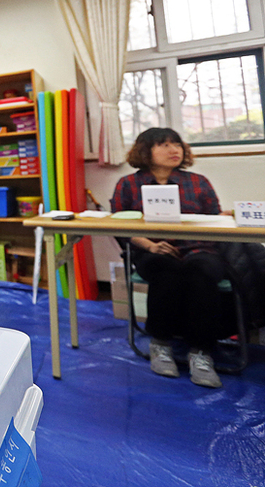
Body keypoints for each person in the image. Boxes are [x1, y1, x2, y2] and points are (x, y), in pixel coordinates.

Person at [111, 127, 231, 388]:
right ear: (145, 150)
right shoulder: (129, 184)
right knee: (167, 272)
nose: (174, 149)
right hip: (151, 250)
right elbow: (120, 226)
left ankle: (200, 352)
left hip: (198, 248)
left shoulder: (198, 181)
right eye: (163, 145)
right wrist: (150, 245)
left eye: (176, 144)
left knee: (201, 272)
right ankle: (161, 344)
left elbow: (214, 220)